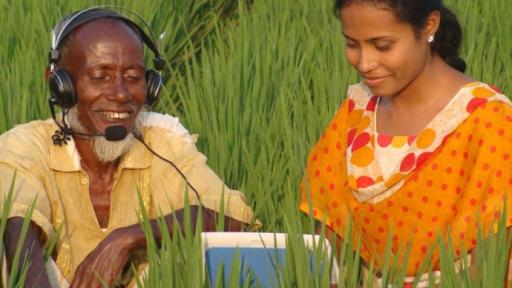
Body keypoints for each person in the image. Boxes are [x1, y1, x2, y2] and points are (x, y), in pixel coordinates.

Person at [0, 7, 257, 288]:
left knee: (192, 249)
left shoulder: (160, 139)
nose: (121, 94)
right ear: (60, 84)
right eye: (100, 76)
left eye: (134, 77)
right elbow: (17, 230)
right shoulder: (24, 144)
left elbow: (231, 221)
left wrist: (126, 238)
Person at [299, 0, 512, 285]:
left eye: (383, 45)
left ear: (428, 26)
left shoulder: (487, 120)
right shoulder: (356, 111)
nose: (365, 63)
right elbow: (330, 236)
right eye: (352, 44)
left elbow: (490, 266)